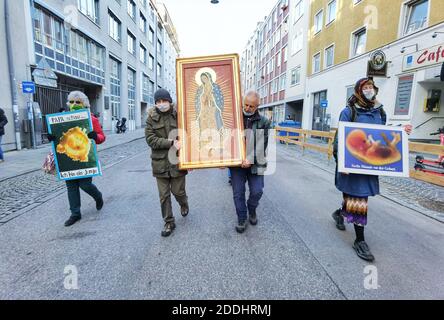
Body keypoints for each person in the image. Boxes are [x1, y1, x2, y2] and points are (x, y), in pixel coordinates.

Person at [332, 78, 412, 261]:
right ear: (358, 91)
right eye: (365, 87)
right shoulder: (348, 112)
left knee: (357, 198)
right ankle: (359, 241)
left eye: (371, 87)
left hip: (367, 164)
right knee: (358, 200)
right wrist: (342, 162)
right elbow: (339, 140)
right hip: (350, 166)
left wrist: (401, 130)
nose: (369, 90)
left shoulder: (380, 112)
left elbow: (381, 134)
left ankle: (339, 214)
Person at [48, 91, 106, 227]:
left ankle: (98, 196)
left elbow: (101, 137)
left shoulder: (91, 119)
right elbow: (59, 135)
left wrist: (95, 136)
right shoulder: (63, 118)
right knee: (71, 186)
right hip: (67, 157)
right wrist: (52, 138)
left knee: (85, 184)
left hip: (84, 158)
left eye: (78, 102)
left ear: (84, 104)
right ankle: (75, 213)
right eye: (72, 102)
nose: (74, 104)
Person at [145, 88, 190, 237]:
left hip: (177, 161)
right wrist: (170, 142)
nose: (162, 104)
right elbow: (150, 139)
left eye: (164, 101)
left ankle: (183, 203)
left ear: (170, 101)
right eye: (158, 101)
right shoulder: (151, 118)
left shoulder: (179, 115)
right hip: (160, 163)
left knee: (178, 192)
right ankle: (169, 222)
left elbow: (188, 132)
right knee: (164, 195)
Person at [230, 91, 271, 233]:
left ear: (257, 106)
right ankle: (242, 218)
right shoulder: (234, 119)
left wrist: (250, 159)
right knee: (238, 193)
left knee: (257, 191)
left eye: (251, 106)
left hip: (256, 163)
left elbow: (262, 144)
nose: (247, 108)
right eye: (245, 105)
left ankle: (251, 209)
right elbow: (227, 140)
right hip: (237, 164)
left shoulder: (264, 122)